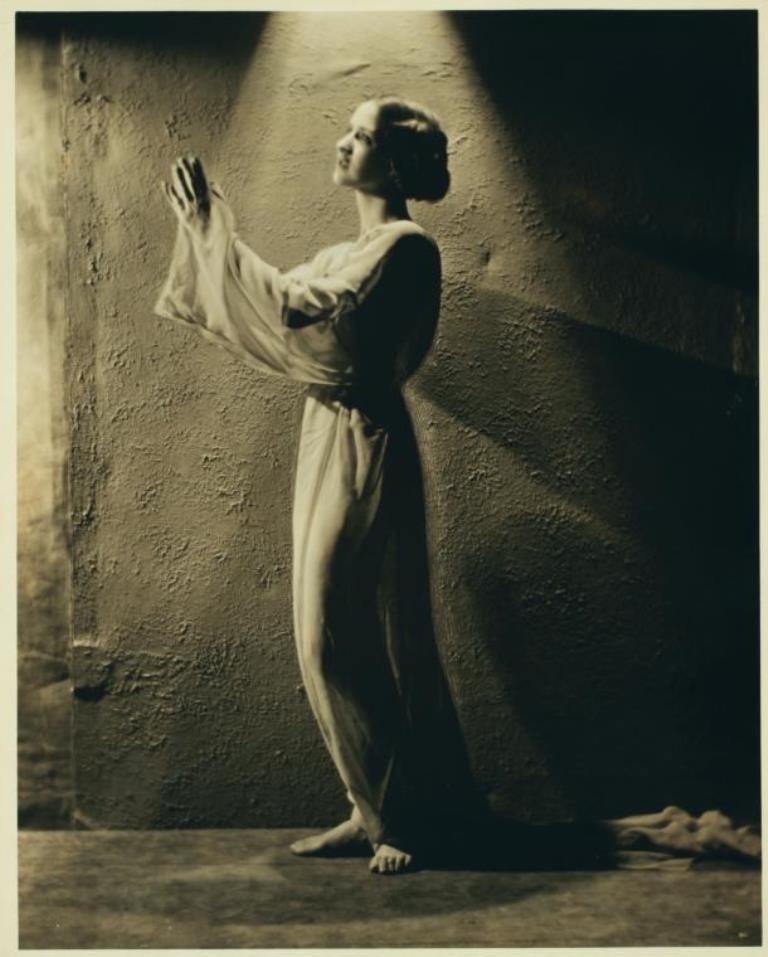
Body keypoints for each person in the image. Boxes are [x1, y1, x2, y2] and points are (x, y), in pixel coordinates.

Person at [156, 96, 480, 875]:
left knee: (333, 625)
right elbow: (276, 308)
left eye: (362, 136)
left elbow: (312, 318)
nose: (343, 143)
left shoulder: (405, 247)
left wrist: (216, 231)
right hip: (329, 429)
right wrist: (208, 229)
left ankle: (399, 813)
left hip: (362, 436)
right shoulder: (352, 249)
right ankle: (369, 805)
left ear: (395, 163)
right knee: (321, 627)